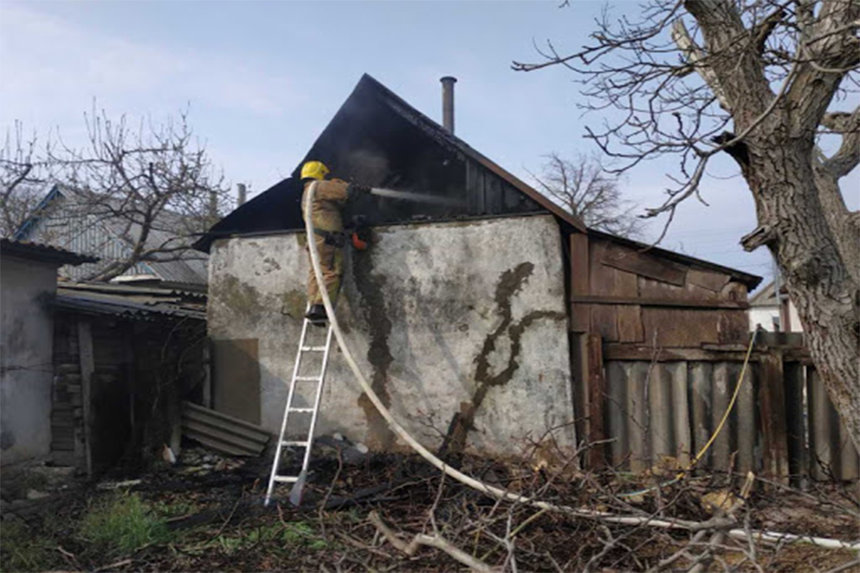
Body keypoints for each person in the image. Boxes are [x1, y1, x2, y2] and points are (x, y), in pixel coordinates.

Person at [299, 160, 370, 324]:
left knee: (317, 272)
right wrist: (356, 188)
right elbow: (346, 192)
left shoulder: (307, 191)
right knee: (332, 271)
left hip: (315, 239)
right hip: (328, 239)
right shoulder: (320, 186)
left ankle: (314, 306)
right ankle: (322, 307)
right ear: (321, 173)